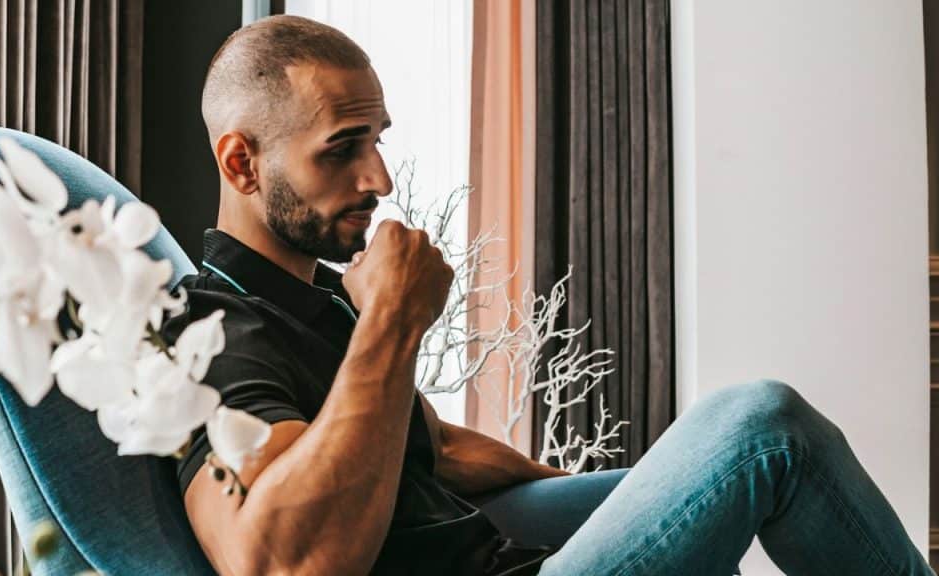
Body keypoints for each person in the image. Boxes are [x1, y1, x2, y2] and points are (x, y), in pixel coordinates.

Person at [162, 15, 934, 576]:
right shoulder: (212, 335)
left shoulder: (316, 305)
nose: (379, 180)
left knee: (707, 470)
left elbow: (445, 450)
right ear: (242, 164)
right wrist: (393, 321)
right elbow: (282, 566)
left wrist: (637, 502)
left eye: (377, 140)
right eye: (342, 148)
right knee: (765, 428)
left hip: (505, 554)